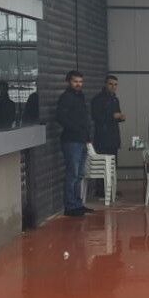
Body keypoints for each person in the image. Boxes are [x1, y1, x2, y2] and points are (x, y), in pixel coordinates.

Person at [56, 70, 93, 217]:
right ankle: (70, 206)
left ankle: (78, 203)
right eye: (75, 81)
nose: (78, 84)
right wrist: (76, 129)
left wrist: (87, 137)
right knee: (73, 173)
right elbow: (60, 117)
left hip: (82, 140)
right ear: (69, 82)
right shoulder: (66, 97)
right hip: (71, 141)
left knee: (79, 174)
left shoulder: (80, 97)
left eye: (80, 82)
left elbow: (84, 119)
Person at [91, 74, 125, 156]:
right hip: (102, 139)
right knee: (103, 162)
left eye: (115, 84)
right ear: (105, 84)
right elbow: (95, 116)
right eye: (111, 84)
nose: (113, 87)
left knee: (113, 162)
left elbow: (117, 115)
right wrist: (112, 116)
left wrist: (121, 117)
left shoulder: (115, 99)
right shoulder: (98, 99)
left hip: (114, 139)